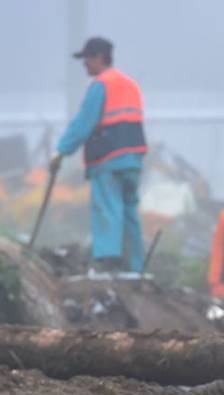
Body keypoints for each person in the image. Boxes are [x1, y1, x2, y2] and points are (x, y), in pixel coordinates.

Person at [51, 37, 147, 274]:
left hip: (108, 157)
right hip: (133, 159)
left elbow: (83, 124)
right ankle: (135, 266)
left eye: (87, 59)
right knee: (129, 210)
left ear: (98, 57)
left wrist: (61, 151)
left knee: (107, 206)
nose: (85, 65)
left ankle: (109, 261)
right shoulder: (130, 84)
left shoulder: (101, 85)